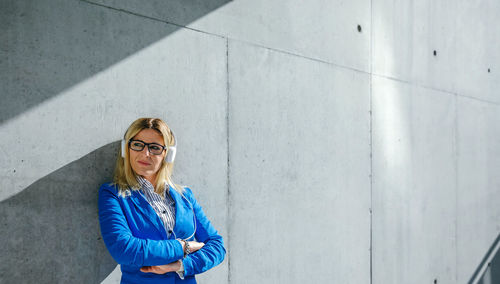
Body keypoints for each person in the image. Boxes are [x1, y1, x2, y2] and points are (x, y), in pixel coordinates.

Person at [98, 117, 225, 284]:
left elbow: (217, 246)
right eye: (137, 145)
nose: (145, 153)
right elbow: (124, 249)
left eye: (155, 148)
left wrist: (180, 265)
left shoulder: (185, 196)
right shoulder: (114, 194)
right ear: (126, 149)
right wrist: (183, 247)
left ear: (168, 154)